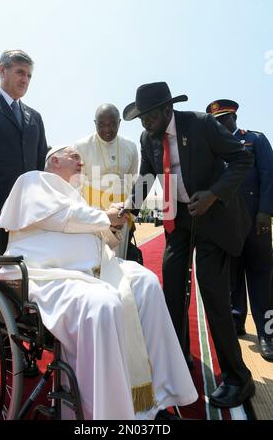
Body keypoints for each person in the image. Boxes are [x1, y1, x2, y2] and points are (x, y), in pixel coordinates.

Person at [0, 145, 198, 420]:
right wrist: (104, 217)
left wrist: (111, 222)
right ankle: (106, 415)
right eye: (74, 157)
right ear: (54, 160)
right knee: (102, 304)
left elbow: (93, 233)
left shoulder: (75, 195)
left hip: (92, 268)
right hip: (48, 272)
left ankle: (154, 398)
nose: (81, 162)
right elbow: (62, 219)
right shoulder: (33, 180)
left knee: (147, 283)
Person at [122, 82, 255, 409]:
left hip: (214, 220)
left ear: (167, 110)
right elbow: (147, 179)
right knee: (170, 289)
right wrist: (129, 206)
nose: (144, 124)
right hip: (178, 223)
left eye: (149, 117)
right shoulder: (147, 138)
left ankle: (239, 378)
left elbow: (242, 158)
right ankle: (178, 359)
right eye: (140, 118)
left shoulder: (201, 124)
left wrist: (213, 195)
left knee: (212, 292)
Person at [0, 49, 48, 285]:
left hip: (23, 220)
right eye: (19, 72)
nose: (24, 79)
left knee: (16, 286)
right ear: (2, 70)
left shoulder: (34, 117)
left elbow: (40, 169)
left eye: (28, 75)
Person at [206, 99, 273, 360]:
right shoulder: (213, 150)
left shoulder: (255, 140)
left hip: (256, 223)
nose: (222, 124)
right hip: (228, 225)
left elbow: (269, 175)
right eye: (217, 122)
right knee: (232, 277)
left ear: (234, 118)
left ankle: (267, 334)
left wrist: (265, 212)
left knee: (262, 278)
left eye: (225, 119)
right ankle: (237, 322)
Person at [74, 104, 138, 258]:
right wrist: (93, 216)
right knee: (93, 264)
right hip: (92, 219)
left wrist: (128, 216)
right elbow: (75, 187)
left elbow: (133, 184)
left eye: (112, 124)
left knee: (118, 264)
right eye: (101, 124)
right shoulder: (80, 147)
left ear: (119, 122)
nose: (107, 129)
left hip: (120, 218)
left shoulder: (130, 147)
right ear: (95, 123)